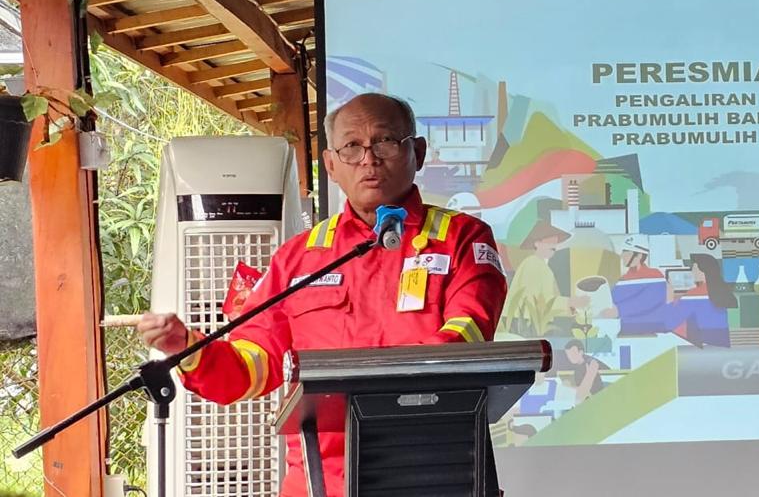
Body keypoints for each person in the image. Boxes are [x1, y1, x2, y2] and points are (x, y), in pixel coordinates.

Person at [137, 92, 507, 497]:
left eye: (385, 141)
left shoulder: (462, 238)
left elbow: (467, 336)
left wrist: (383, 386)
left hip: (433, 473)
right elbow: (249, 367)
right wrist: (189, 349)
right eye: (352, 147)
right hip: (320, 483)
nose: (368, 159)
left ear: (416, 151)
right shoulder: (297, 259)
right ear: (330, 164)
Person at [503, 221, 586, 336]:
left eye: (555, 243)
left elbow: (549, 300)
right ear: (537, 243)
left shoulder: (542, 266)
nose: (554, 246)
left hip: (534, 323)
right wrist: (569, 302)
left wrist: (571, 305)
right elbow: (538, 301)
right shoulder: (533, 264)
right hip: (525, 323)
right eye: (550, 242)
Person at [663, 253, 737, 348]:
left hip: (700, 349)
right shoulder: (723, 291)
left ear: (703, 270)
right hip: (721, 346)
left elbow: (669, 323)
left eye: (694, 268)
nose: (692, 272)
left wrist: (669, 296)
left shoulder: (693, 295)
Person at [606, 235, 670, 336]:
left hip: (652, 332)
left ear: (639, 255)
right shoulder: (623, 279)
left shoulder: (654, 275)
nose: (622, 256)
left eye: (626, 252)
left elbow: (648, 301)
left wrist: (619, 310)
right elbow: (611, 300)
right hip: (625, 330)